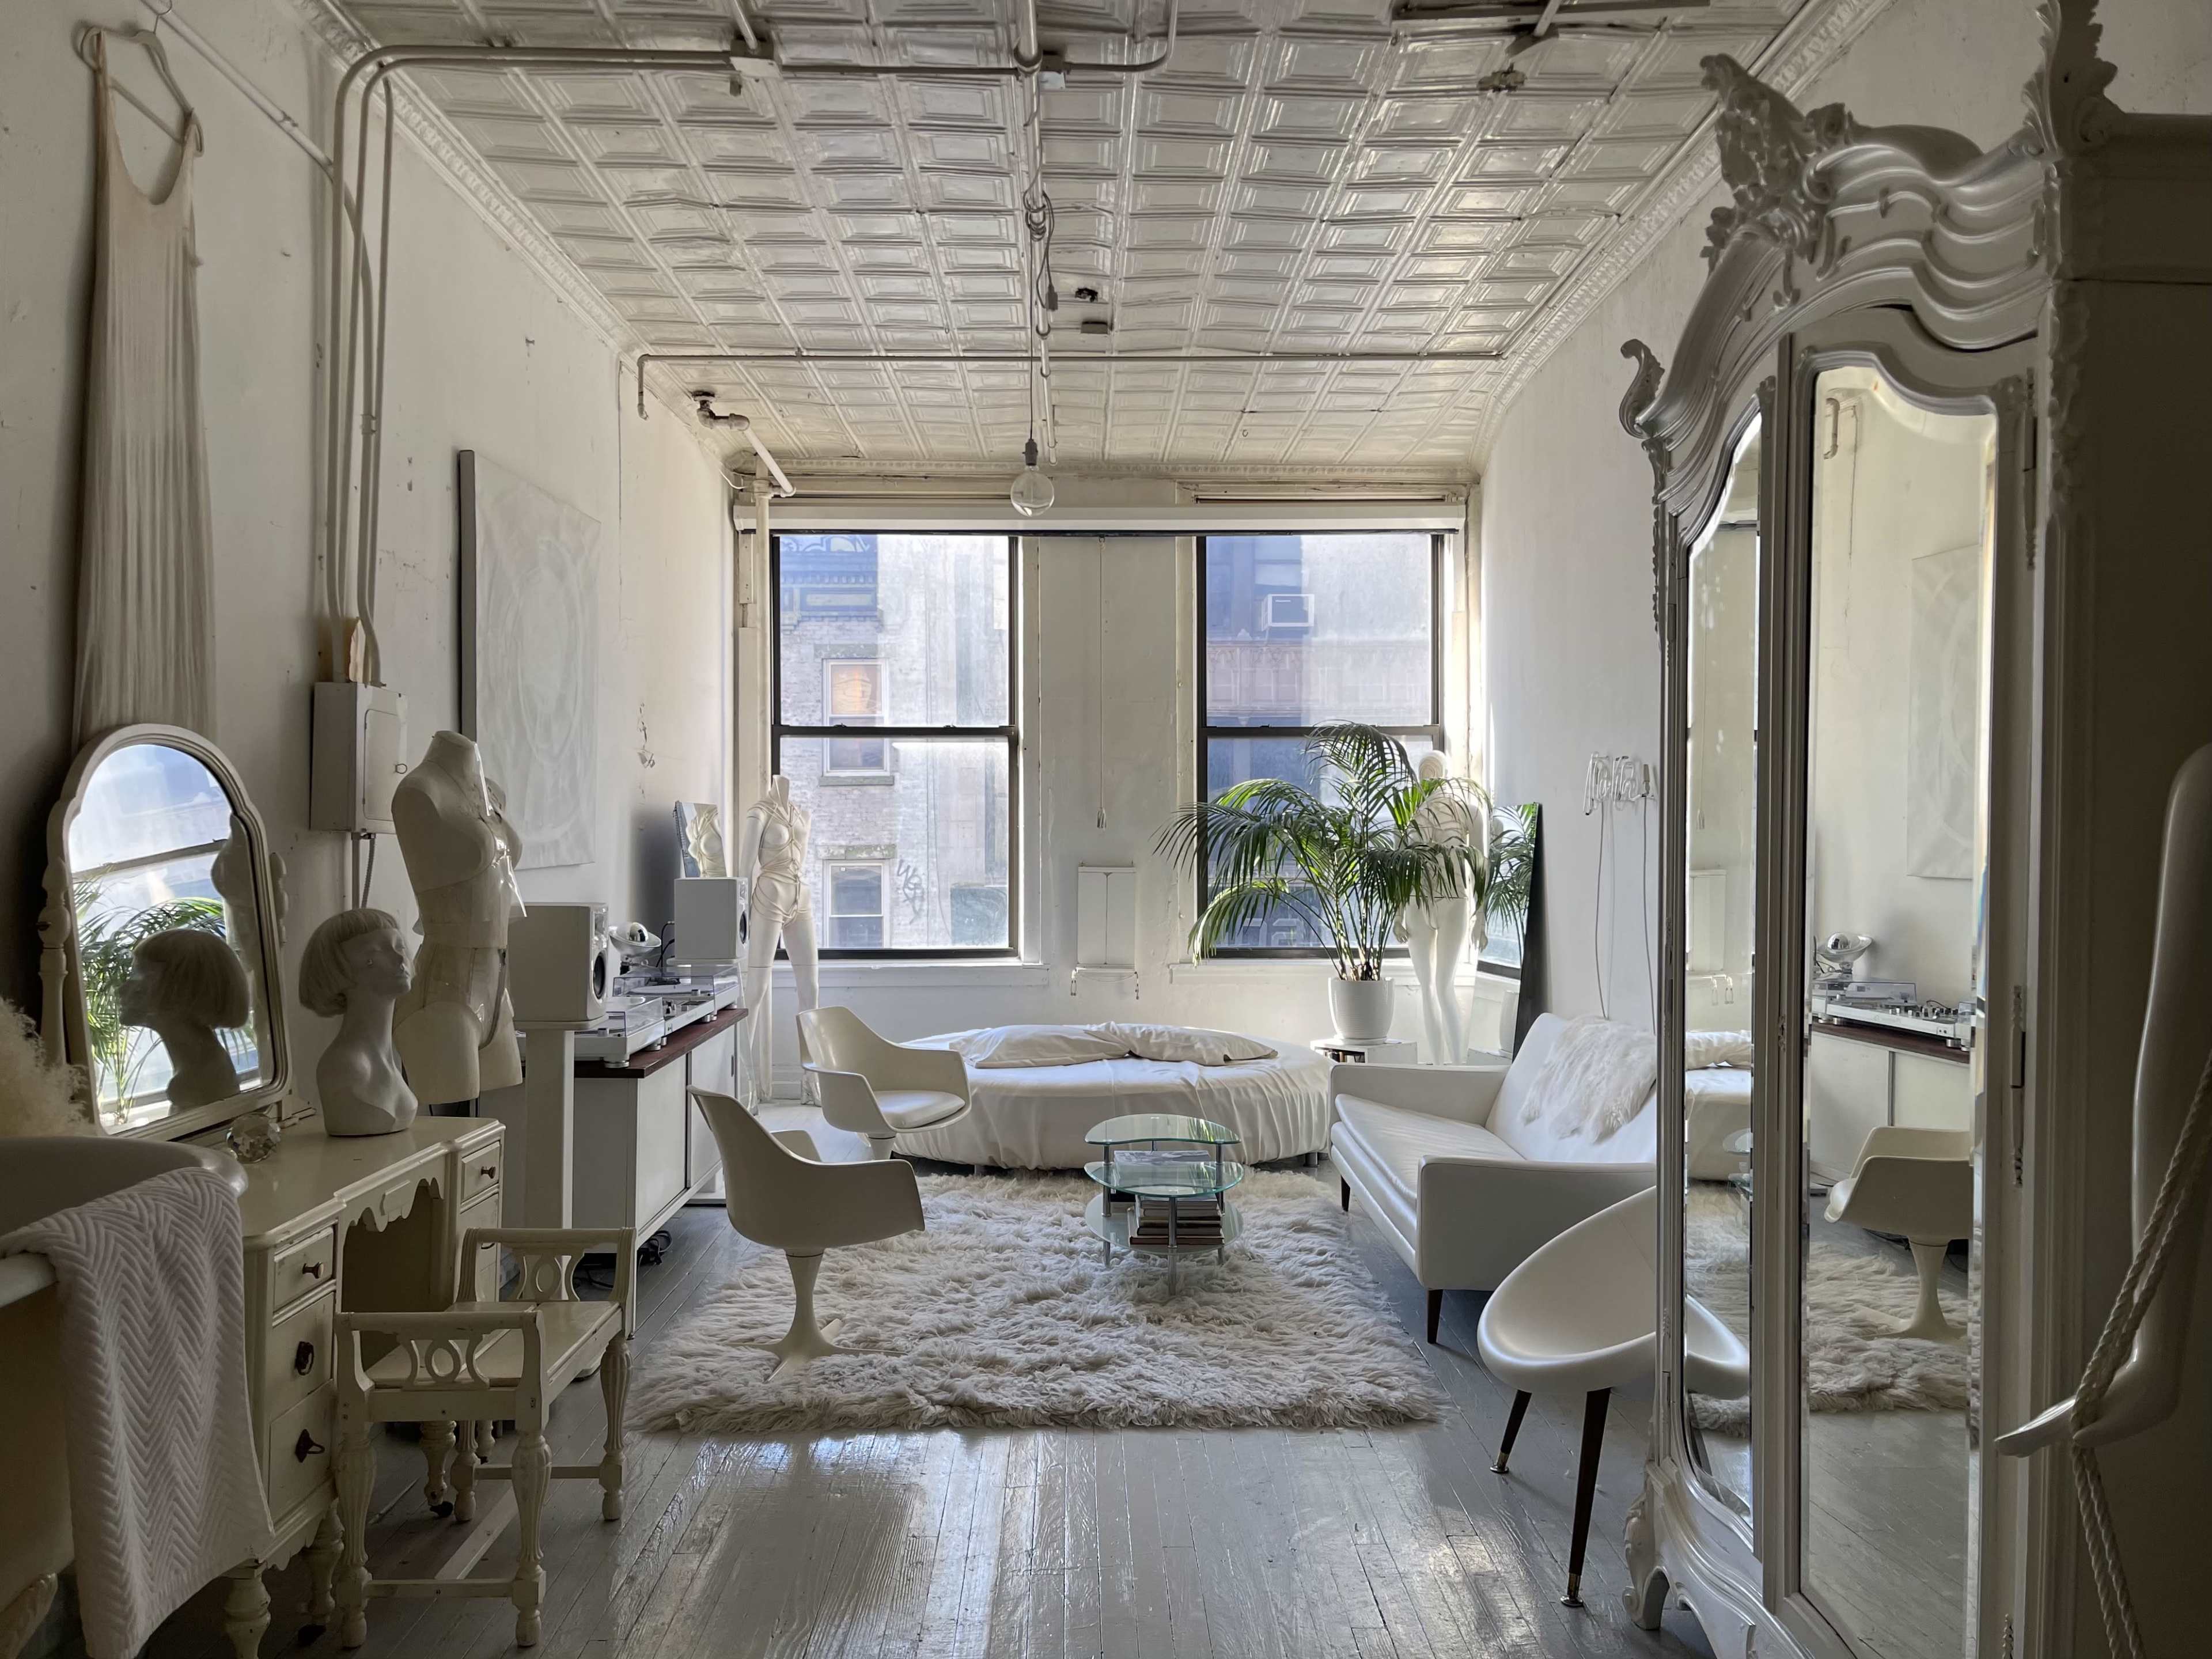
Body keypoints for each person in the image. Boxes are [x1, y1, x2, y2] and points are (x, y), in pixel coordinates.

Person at [301, 907, 418, 1136]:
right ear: (340, 971)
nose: (400, 959)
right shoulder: (343, 1067)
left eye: (400, 946)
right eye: (375, 953)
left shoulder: (390, 1061)